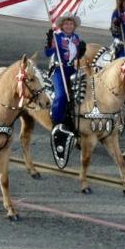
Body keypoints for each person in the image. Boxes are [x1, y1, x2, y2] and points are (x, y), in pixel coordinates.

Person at [45, 12, 85, 158]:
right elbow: (48, 53)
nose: (69, 26)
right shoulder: (57, 37)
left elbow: (76, 56)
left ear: (74, 26)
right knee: (62, 96)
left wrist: (81, 53)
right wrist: (50, 43)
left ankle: (78, 123)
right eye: (66, 24)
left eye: (71, 24)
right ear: (62, 26)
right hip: (59, 70)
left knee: (82, 93)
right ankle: (56, 123)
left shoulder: (76, 38)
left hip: (73, 69)